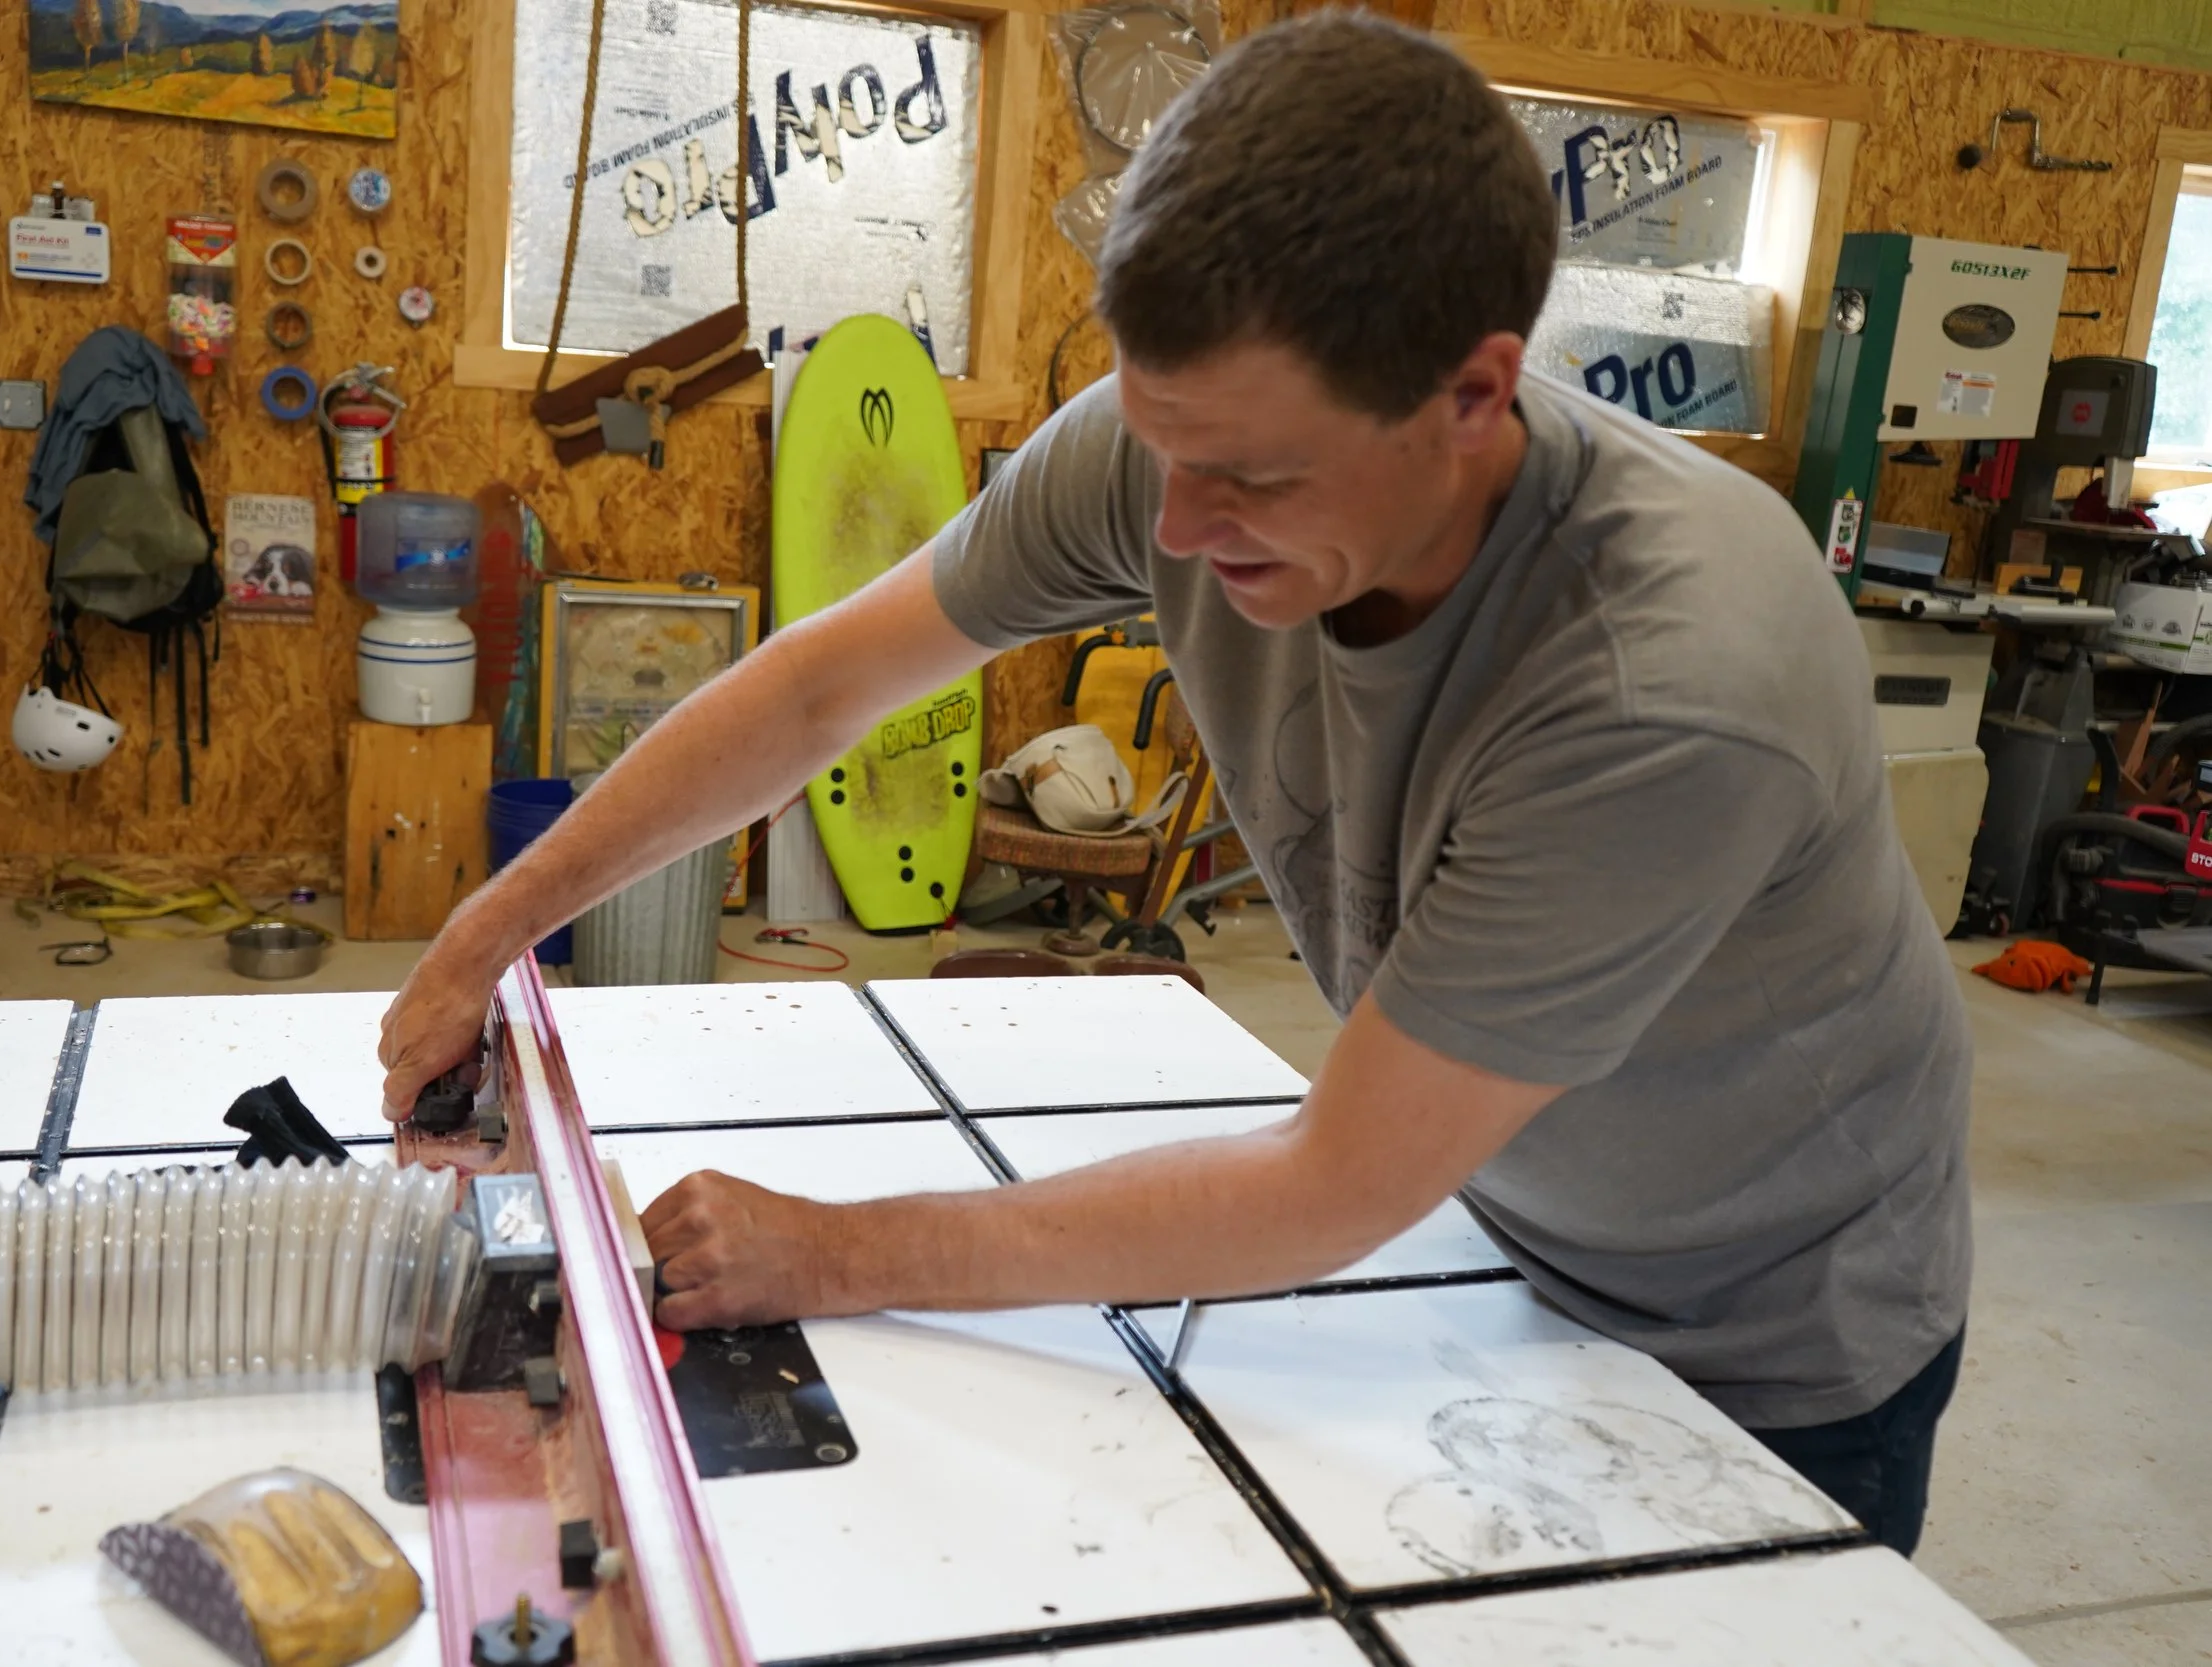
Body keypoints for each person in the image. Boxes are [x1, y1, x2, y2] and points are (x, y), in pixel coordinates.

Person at [379, 13, 1970, 1555]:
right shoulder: (1178, 451)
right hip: (1500, 1223)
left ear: (1476, 395)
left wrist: (838, 1248)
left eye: (1258, 479)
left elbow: (1327, 1184)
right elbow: (819, 685)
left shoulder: (1664, 681)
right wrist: (487, 934)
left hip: (1768, 1330)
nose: (1183, 529)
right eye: (1163, 443)